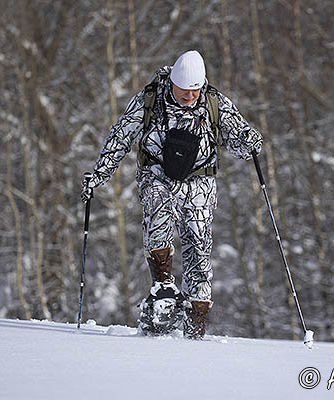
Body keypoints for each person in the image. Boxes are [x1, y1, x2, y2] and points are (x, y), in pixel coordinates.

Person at [81, 50, 262, 339]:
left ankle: (195, 322)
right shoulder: (151, 99)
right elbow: (120, 135)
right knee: (158, 214)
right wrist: (100, 174)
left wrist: (251, 141)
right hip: (158, 176)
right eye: (183, 90)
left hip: (200, 184)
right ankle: (163, 288)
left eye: (194, 90)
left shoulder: (214, 103)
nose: (189, 96)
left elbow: (239, 140)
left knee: (199, 249)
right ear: (173, 83)